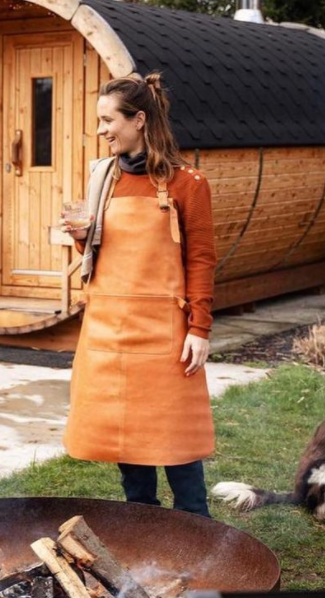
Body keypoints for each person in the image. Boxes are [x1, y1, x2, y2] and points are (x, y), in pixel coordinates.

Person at [62, 73, 216, 516]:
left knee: (177, 441)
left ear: (139, 120)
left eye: (108, 120)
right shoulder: (104, 179)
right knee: (126, 437)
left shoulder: (189, 184)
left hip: (165, 334)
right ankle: (143, 524)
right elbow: (102, 251)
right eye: (99, 121)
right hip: (107, 330)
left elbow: (202, 261)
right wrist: (80, 237)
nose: (101, 130)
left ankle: (196, 527)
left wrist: (199, 327)